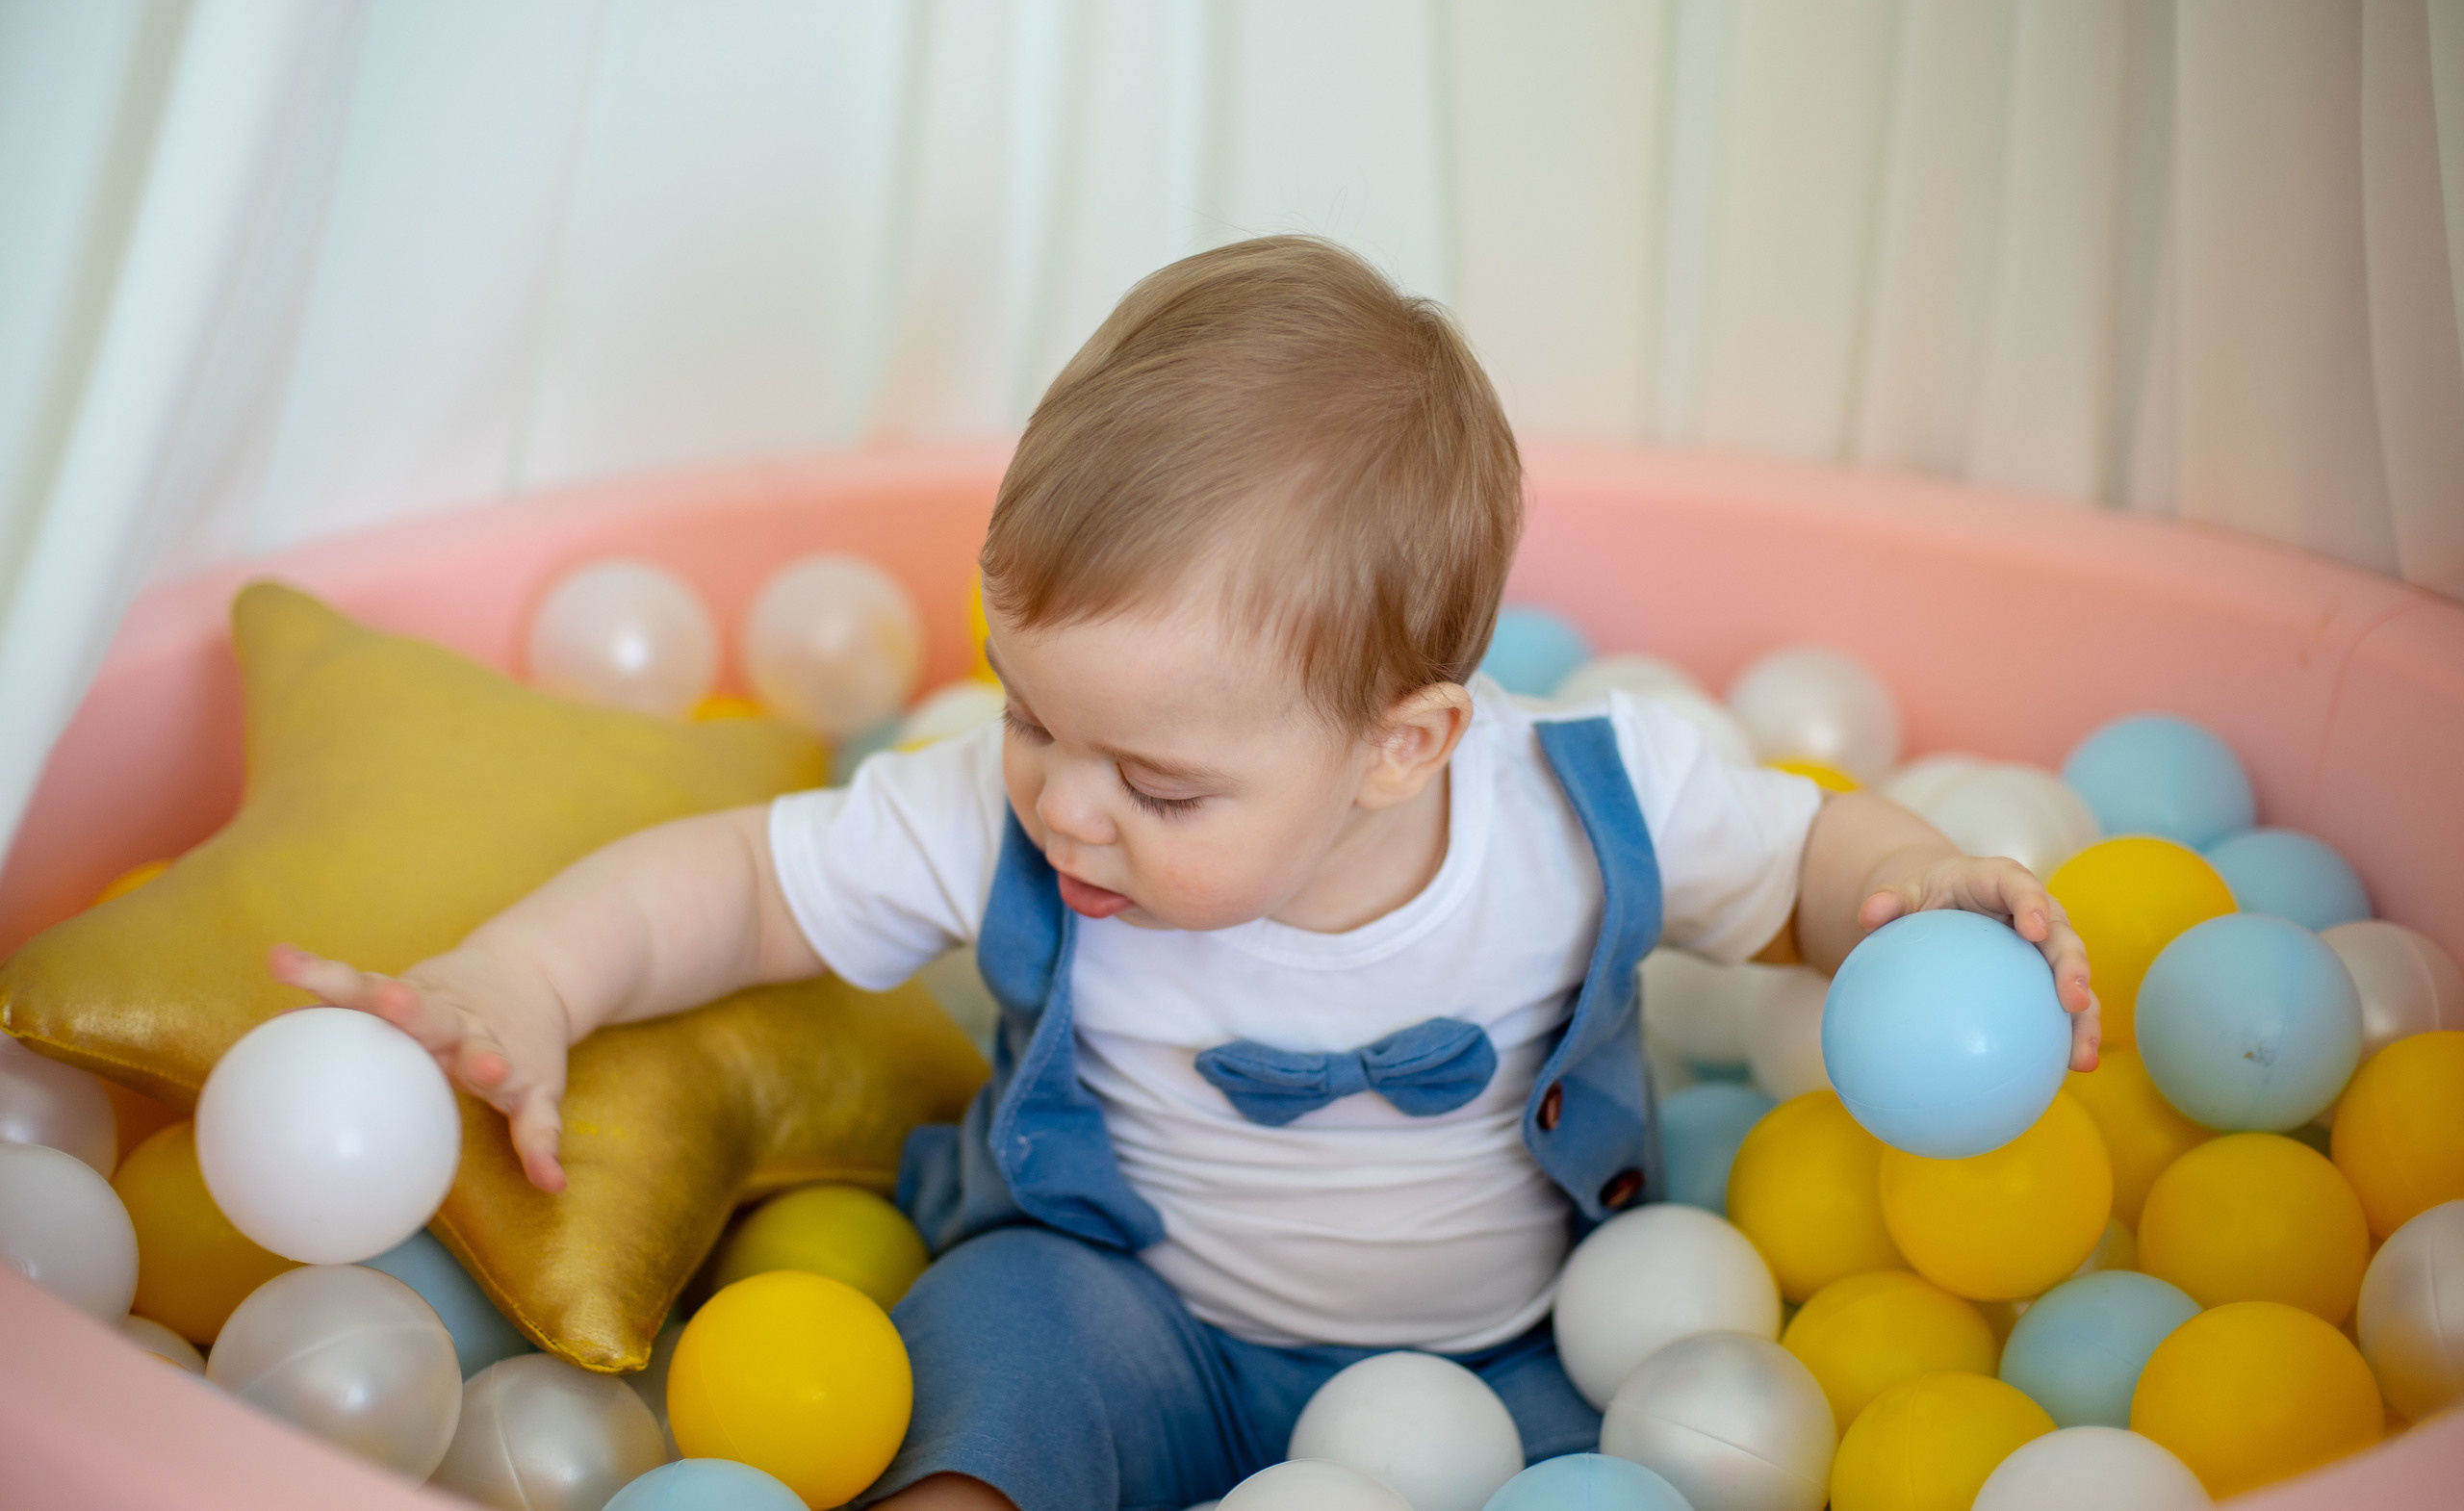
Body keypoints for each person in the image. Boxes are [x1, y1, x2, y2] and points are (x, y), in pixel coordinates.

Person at [275, 236, 2098, 1511]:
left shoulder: (1586, 803)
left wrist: (1930, 885)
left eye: (1159, 784)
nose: (1066, 810)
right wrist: (530, 977)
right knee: (994, 1358)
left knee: (1630, 1469)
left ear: (1404, 745)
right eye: (1028, 716)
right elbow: (741, 886)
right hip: (1131, 1310)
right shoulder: (1002, 814)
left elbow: (1808, 861)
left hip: (1525, 1347)